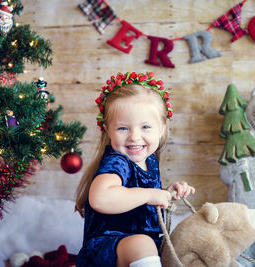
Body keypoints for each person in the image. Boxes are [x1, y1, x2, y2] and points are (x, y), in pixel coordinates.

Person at [75, 71, 195, 267]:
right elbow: (100, 198)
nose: (134, 137)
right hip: (106, 250)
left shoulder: (150, 161)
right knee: (142, 244)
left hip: (137, 250)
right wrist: (149, 195)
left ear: (162, 128)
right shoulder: (117, 162)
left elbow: (138, 197)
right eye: (123, 128)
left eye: (145, 127)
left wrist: (165, 194)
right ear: (107, 129)